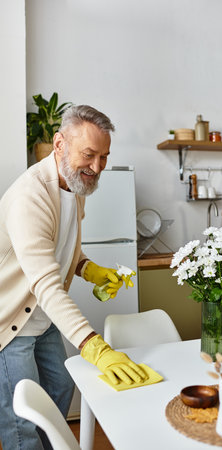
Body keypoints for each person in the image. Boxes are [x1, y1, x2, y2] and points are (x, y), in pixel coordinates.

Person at [0, 105, 147, 450]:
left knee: (61, 388)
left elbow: (64, 250)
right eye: (89, 155)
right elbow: (46, 283)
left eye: (104, 157)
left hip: (43, 318)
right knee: (23, 423)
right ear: (59, 144)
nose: (97, 167)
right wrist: (95, 347)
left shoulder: (75, 187)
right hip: (11, 323)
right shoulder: (31, 196)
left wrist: (89, 270)